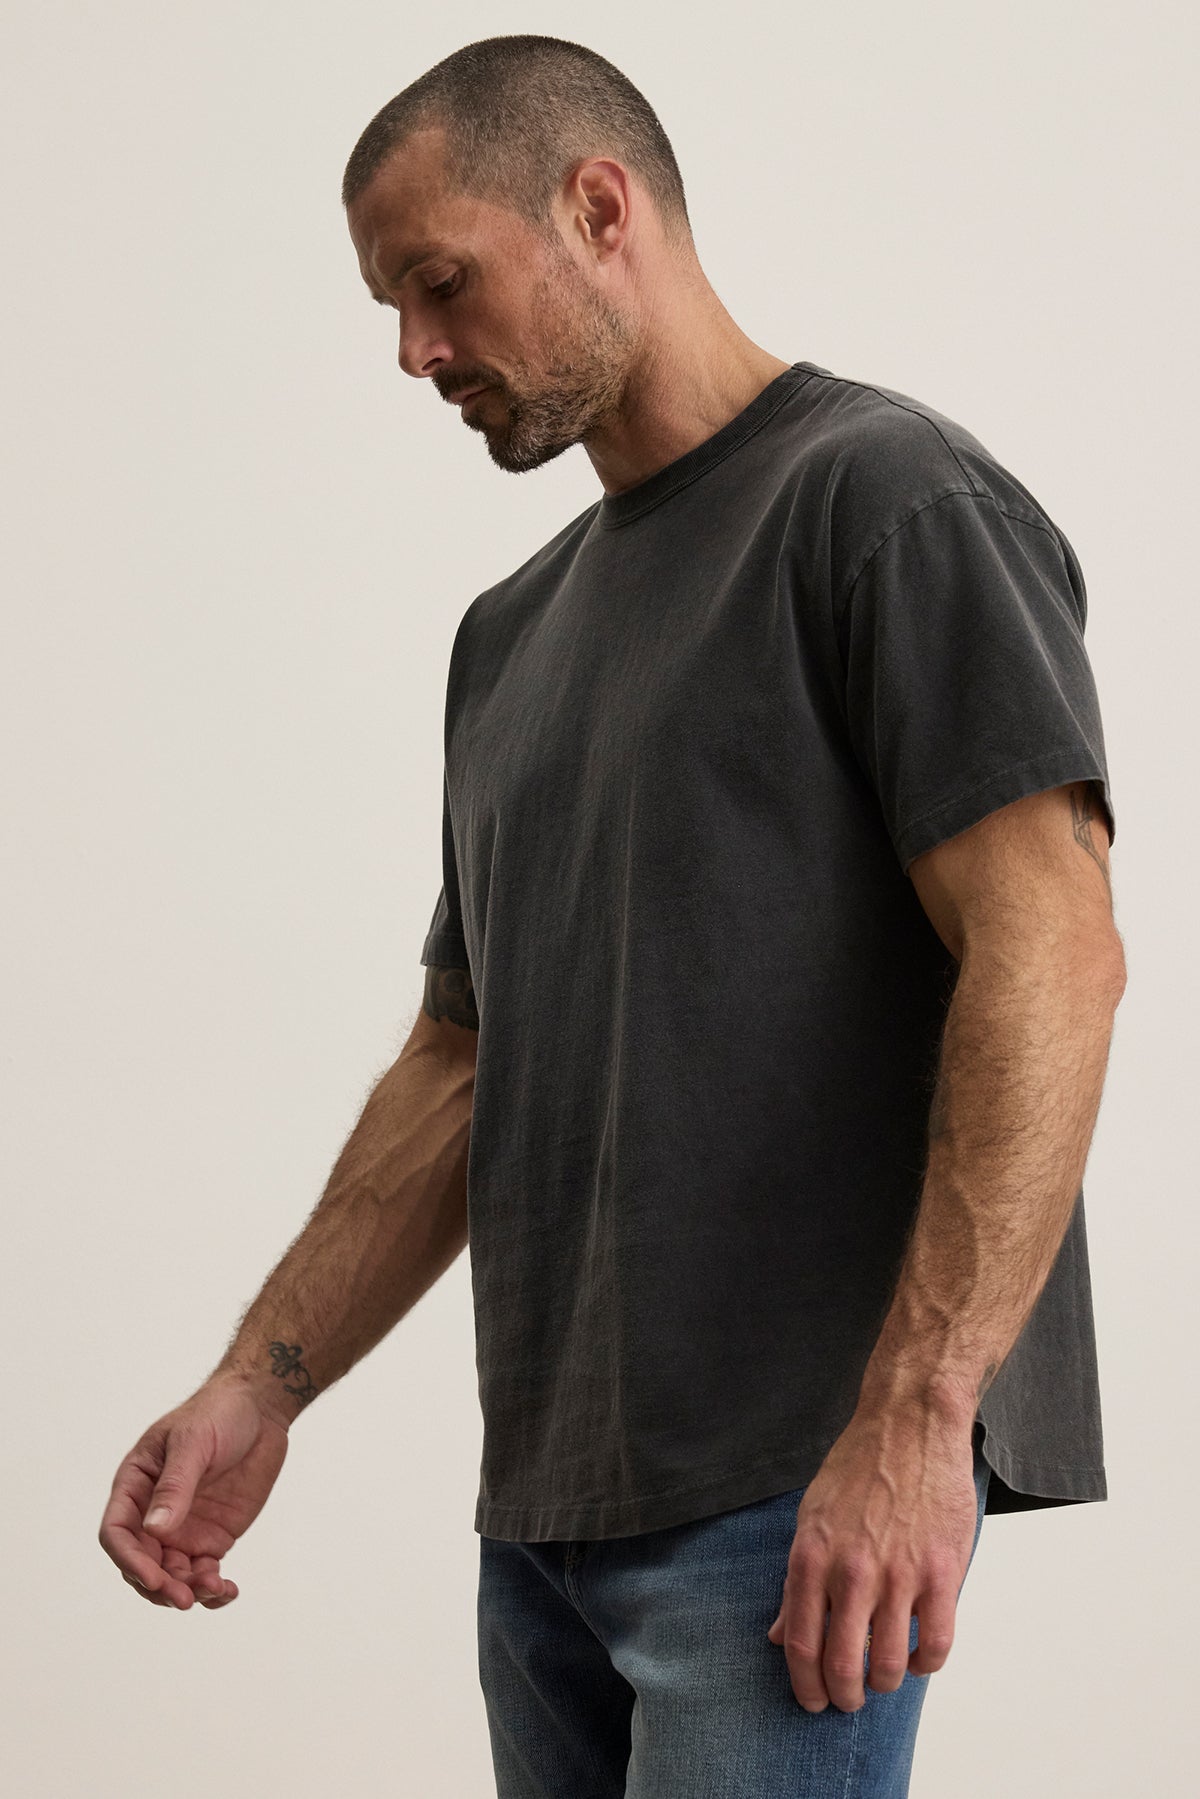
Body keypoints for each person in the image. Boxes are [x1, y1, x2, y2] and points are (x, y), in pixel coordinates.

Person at [99, 34, 1126, 1798]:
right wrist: (259, 1382)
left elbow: (1054, 951)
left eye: (440, 284)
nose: (415, 351)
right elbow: (460, 1062)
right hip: (550, 1530)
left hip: (792, 1508)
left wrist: (917, 1424)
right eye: (392, 307)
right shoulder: (510, 635)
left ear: (597, 208)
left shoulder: (882, 500)